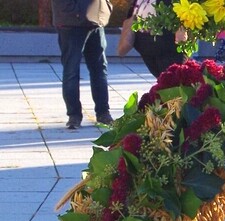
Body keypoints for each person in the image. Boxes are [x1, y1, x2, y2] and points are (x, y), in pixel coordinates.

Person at [51, 0, 114, 129]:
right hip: (71, 22)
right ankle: (74, 115)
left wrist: (105, 6)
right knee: (71, 70)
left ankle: (103, 113)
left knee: (99, 69)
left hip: (95, 20)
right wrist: (74, 11)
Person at [127, 0, 186, 78]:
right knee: (162, 78)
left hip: (168, 41)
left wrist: (182, 25)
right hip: (145, 40)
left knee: (172, 77)